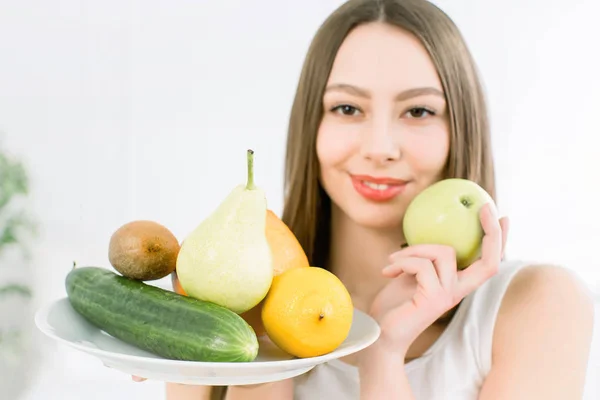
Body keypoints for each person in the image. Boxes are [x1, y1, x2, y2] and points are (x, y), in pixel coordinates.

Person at [131, 0, 595, 398]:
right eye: (348, 108)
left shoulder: (536, 305)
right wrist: (261, 340)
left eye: (419, 111)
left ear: (459, 131)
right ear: (312, 126)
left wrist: (383, 354)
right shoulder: (214, 304)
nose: (379, 147)